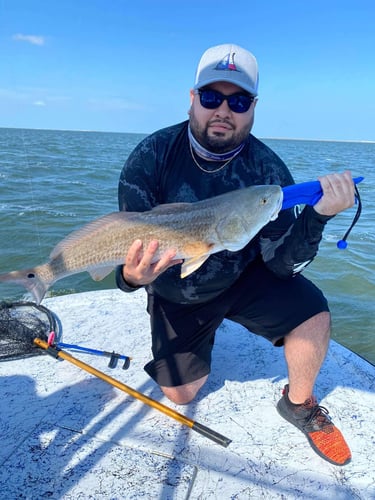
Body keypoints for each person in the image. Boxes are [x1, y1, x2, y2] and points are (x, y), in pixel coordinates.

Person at [116, 43, 355, 466]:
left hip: (244, 274)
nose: (224, 109)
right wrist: (132, 279)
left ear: (253, 107)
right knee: (181, 394)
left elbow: (282, 264)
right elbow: (125, 248)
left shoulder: (268, 173)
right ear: (193, 99)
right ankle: (187, 331)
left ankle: (299, 404)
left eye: (239, 100)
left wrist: (316, 217)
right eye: (211, 97)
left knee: (313, 312)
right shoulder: (151, 157)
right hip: (179, 288)